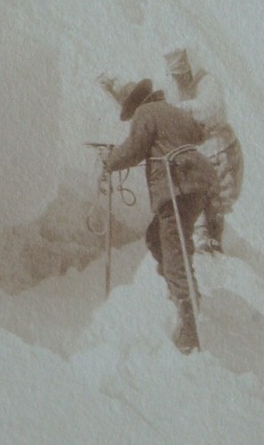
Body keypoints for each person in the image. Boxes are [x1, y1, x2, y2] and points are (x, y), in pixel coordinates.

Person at [103, 78, 217, 352]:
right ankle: (179, 287)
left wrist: (110, 162)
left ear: (135, 104)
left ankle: (187, 315)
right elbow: (198, 134)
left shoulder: (146, 114)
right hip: (198, 180)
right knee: (157, 237)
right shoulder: (173, 111)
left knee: (173, 245)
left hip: (175, 181)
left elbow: (134, 149)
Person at [164, 48, 244, 251]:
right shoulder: (175, 89)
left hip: (220, 149)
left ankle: (214, 242)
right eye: (176, 74)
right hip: (198, 153)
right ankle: (201, 238)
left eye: (182, 73)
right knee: (197, 196)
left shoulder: (208, 83)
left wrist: (181, 112)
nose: (180, 78)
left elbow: (208, 109)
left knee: (217, 199)